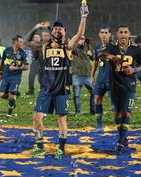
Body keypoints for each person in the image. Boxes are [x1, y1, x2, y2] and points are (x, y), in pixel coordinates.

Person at [26, 3, 89, 159]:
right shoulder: (45, 47)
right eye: (55, 28)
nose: (57, 30)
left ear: (64, 31)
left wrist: (83, 17)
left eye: (60, 28)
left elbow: (80, 34)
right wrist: (35, 28)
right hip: (46, 89)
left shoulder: (68, 47)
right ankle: (40, 147)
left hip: (62, 89)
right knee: (36, 117)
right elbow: (27, 42)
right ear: (52, 31)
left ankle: (61, 149)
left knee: (61, 119)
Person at [99, 24, 141, 153]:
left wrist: (134, 69)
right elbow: (101, 55)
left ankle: (120, 142)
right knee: (117, 113)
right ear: (117, 34)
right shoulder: (112, 46)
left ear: (129, 34)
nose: (123, 34)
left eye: (125, 32)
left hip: (129, 85)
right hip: (114, 85)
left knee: (126, 112)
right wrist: (112, 57)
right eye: (120, 32)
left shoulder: (136, 49)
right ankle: (123, 136)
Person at [0, 35, 29, 117]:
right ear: (15, 42)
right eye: (20, 41)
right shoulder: (7, 51)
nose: (22, 43)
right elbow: (2, 60)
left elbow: (27, 67)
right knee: (2, 95)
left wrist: (15, 68)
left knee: (11, 96)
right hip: (5, 76)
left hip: (16, 77)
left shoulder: (23, 53)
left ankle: (9, 112)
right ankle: (13, 102)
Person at [91, 25, 112, 132]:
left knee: (114, 103)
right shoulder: (98, 46)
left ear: (110, 34)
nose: (104, 35)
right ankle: (99, 126)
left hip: (112, 79)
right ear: (99, 34)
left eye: (106, 32)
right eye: (102, 32)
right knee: (97, 100)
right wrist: (92, 76)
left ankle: (120, 124)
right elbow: (95, 62)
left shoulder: (114, 47)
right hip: (100, 78)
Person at [71, 36, 95, 115]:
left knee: (94, 93)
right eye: (80, 39)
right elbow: (70, 48)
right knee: (76, 95)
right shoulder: (74, 48)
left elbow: (94, 58)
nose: (81, 40)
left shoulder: (88, 47)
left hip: (87, 75)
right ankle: (78, 112)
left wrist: (91, 54)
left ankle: (93, 110)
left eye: (83, 39)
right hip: (77, 75)